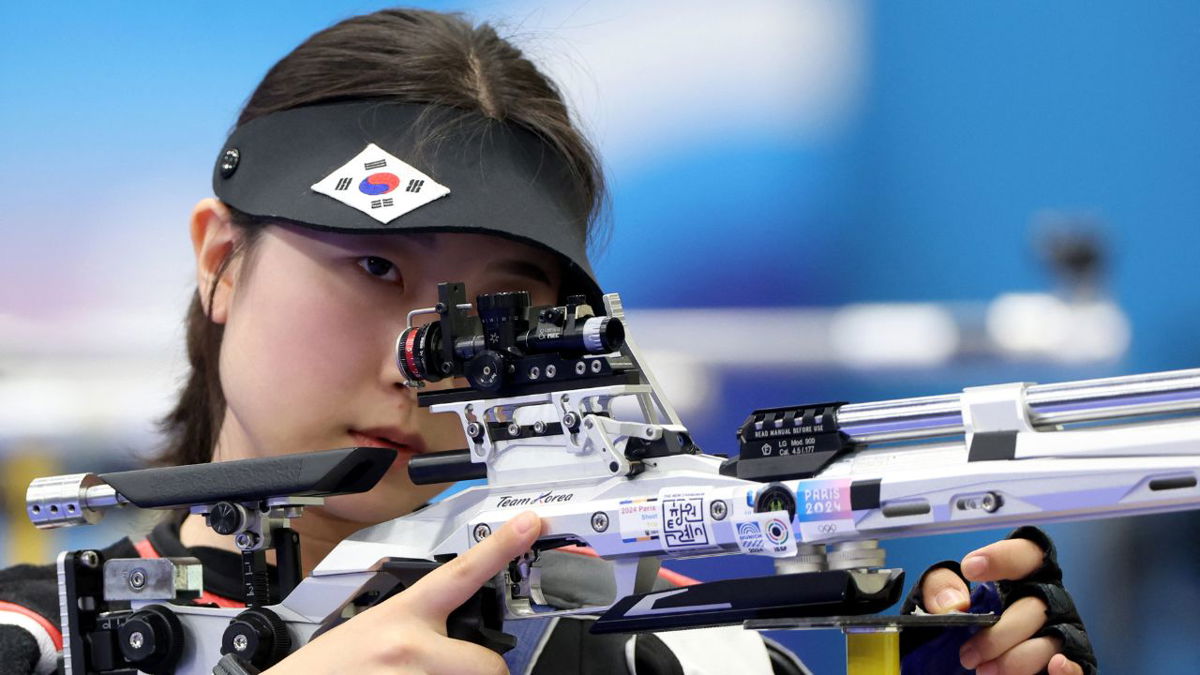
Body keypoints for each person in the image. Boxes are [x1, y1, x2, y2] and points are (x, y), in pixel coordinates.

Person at [0, 7, 1094, 674]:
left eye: (497, 314)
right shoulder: (37, 632)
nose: (417, 360)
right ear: (218, 262)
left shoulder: (660, 639)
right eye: (375, 269)